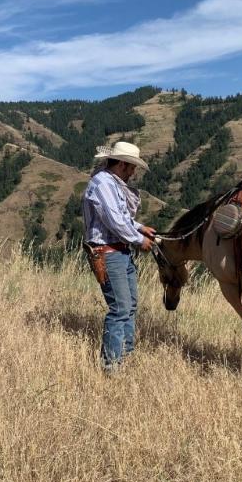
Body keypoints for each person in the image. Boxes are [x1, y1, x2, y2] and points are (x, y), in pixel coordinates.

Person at [82, 141, 156, 372]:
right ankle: (111, 364)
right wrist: (138, 239)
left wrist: (140, 227)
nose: (134, 172)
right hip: (109, 252)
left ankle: (125, 354)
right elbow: (114, 220)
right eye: (132, 167)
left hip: (118, 251)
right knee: (120, 308)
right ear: (123, 164)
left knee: (129, 304)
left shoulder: (110, 182)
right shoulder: (103, 183)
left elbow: (120, 216)